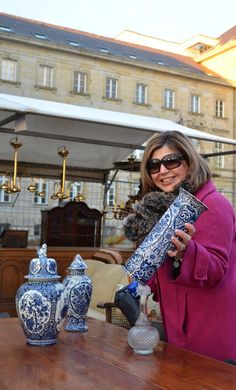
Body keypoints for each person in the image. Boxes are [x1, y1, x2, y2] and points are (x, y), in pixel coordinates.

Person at [123, 130, 236, 362]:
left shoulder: (214, 204)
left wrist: (187, 251)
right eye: (154, 165)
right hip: (179, 326)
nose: (162, 171)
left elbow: (216, 270)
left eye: (171, 161)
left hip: (210, 328)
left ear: (189, 162)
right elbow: (164, 272)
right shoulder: (168, 208)